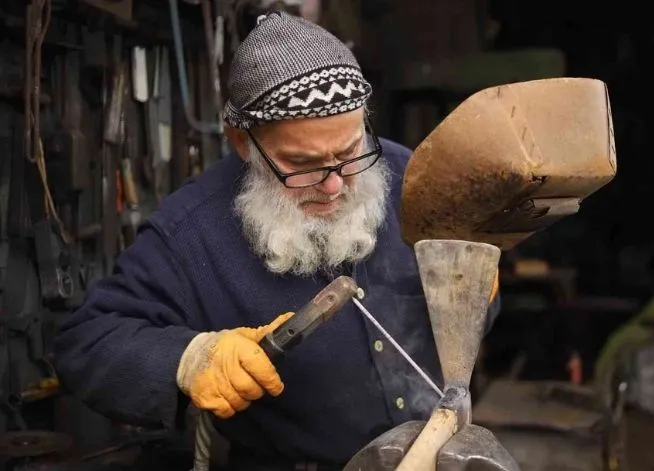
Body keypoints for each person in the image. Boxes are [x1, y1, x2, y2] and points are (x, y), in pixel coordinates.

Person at [54, 11, 500, 470]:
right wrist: (186, 359)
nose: (334, 186)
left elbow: (472, 316)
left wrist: (476, 297)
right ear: (242, 142)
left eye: (350, 153)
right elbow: (86, 341)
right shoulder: (190, 232)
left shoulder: (415, 180)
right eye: (303, 164)